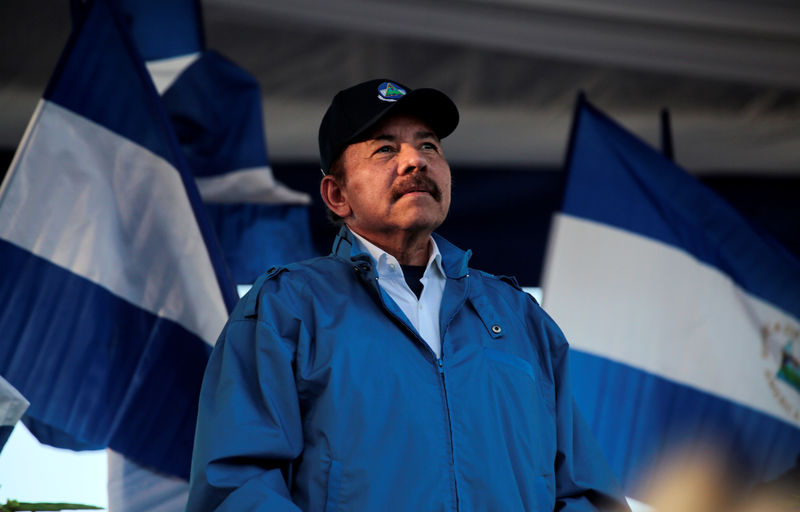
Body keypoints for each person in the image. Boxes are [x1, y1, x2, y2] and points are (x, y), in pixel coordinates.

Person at [186, 78, 630, 511]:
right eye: (385, 149)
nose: (415, 161)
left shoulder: (520, 317)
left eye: (429, 146)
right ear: (337, 194)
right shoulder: (286, 308)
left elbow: (586, 492)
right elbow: (237, 488)